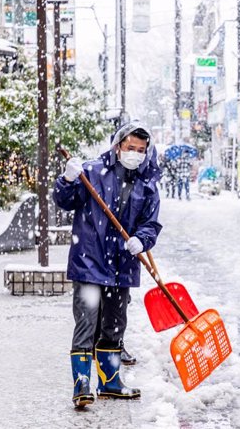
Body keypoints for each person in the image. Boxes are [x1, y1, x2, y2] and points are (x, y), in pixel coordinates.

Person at [54, 122, 162, 407]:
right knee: (86, 323)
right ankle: (82, 384)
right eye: (130, 148)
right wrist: (66, 180)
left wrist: (142, 239)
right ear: (118, 147)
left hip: (122, 265)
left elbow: (150, 223)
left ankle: (110, 381)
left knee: (115, 325)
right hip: (90, 260)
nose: (135, 154)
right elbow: (64, 201)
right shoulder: (91, 172)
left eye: (141, 150)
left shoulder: (147, 184)